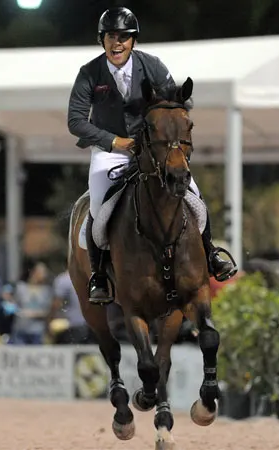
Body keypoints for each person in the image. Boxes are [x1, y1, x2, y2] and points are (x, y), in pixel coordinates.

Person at [67, 6, 237, 305]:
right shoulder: (90, 73)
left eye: (123, 37)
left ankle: (211, 254)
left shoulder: (153, 65)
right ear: (102, 39)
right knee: (98, 200)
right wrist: (114, 141)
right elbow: (76, 121)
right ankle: (98, 275)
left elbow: (175, 99)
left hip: (153, 148)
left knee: (193, 193)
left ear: (133, 41)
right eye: (111, 37)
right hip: (112, 152)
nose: (117, 43)